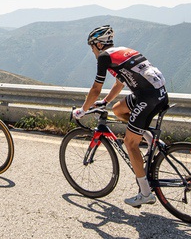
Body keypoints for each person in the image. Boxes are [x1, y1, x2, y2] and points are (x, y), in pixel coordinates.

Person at [72, 25, 169, 207]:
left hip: (147, 98)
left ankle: (145, 193)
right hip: (157, 94)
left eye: (92, 47)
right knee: (118, 110)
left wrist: (83, 110)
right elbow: (119, 83)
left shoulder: (104, 57)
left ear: (98, 45)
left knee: (130, 144)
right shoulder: (122, 52)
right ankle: (150, 140)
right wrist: (105, 102)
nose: (92, 51)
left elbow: (96, 88)